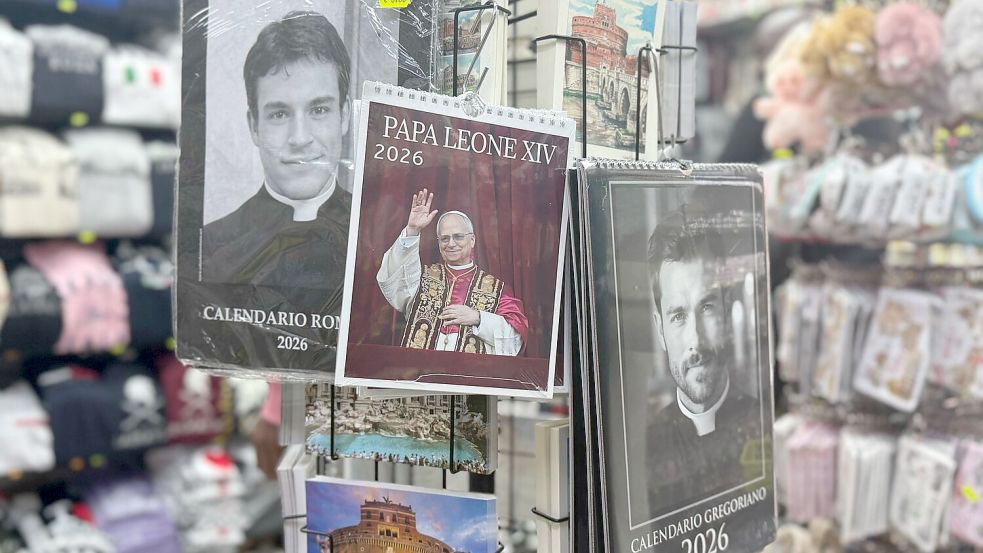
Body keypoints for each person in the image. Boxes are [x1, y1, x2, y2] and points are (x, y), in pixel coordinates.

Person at [201, 11, 352, 289]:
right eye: (279, 114)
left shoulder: (381, 238)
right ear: (254, 127)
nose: (300, 138)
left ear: (344, 116)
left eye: (319, 110)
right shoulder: (209, 248)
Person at [643, 207, 760, 516]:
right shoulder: (645, 447)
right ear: (661, 330)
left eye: (706, 307)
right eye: (678, 316)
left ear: (727, 310)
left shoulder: (761, 419)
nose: (695, 339)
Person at [376, 189, 529, 355]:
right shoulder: (421, 278)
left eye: (458, 236)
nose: (451, 243)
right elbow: (394, 276)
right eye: (445, 238)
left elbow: (515, 339)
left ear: (472, 240)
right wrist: (412, 230)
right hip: (419, 367)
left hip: (469, 370)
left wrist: (479, 318)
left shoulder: (496, 290)